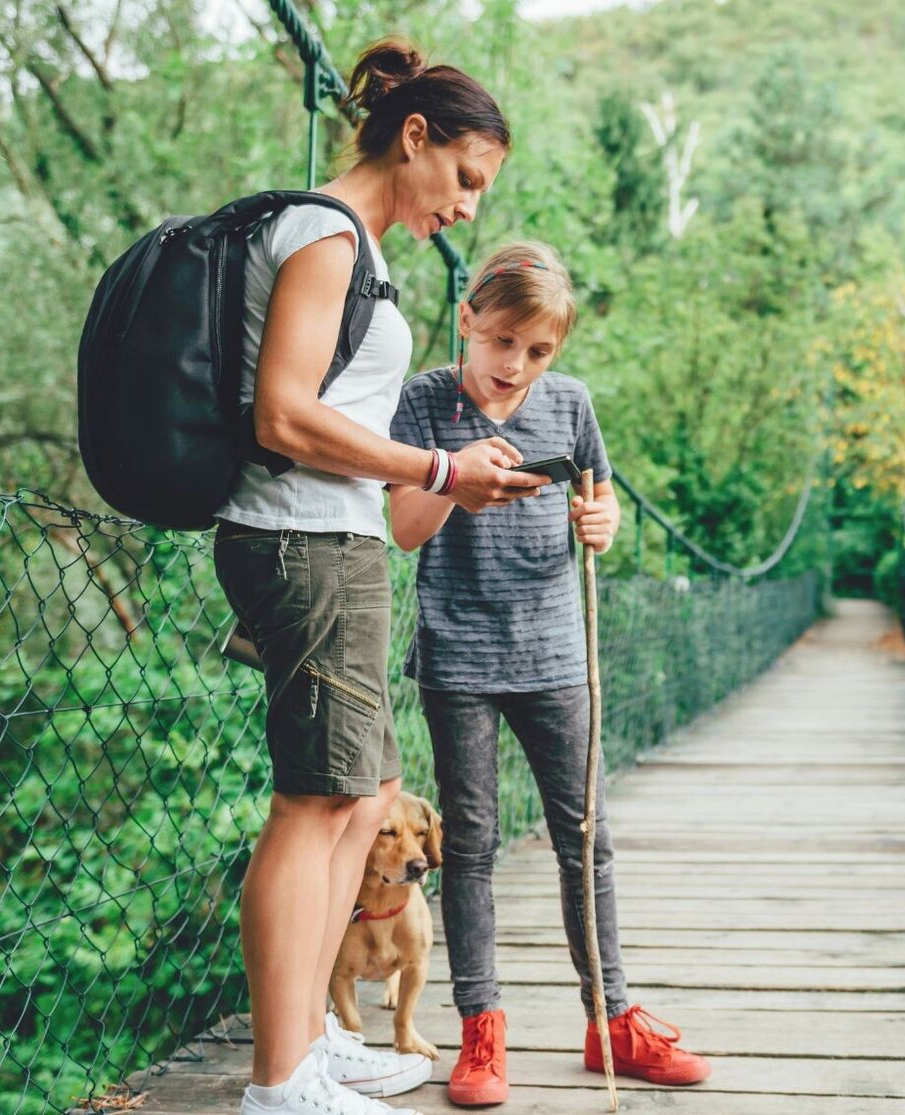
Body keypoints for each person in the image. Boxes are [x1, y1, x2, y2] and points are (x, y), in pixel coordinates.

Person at [216, 39, 550, 1115]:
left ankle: (312, 1042)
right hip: (303, 540)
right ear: (413, 137)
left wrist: (439, 479)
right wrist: (438, 466)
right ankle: (281, 1080)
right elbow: (283, 414)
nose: (467, 206)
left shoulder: (356, 247)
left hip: (342, 543)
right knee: (313, 805)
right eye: (465, 176)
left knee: (360, 804)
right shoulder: (324, 233)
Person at [387, 241, 714, 1108]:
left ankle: (611, 1019)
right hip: (460, 652)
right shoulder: (424, 400)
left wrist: (602, 521)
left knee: (586, 838)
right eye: (502, 341)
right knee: (472, 842)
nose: (515, 364)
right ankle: (481, 1028)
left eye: (536, 351)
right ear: (467, 319)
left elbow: (599, 499)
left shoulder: (570, 403)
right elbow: (405, 527)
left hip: (556, 653)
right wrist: (456, 479)